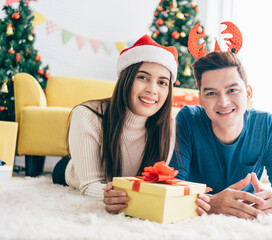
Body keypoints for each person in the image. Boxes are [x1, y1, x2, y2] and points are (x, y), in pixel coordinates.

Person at [52, 35, 210, 214]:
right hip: (73, 172)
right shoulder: (87, 115)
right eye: (143, 77)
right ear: (126, 79)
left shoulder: (169, 126)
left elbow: (156, 184)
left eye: (162, 82)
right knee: (64, 171)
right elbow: (89, 185)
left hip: (120, 184)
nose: (153, 89)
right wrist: (106, 195)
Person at [170, 51, 272, 219]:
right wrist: (211, 202)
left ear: (248, 93)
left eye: (232, 90)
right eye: (211, 93)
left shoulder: (266, 124)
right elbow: (173, 188)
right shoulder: (188, 118)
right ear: (201, 99)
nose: (223, 102)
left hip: (246, 213)